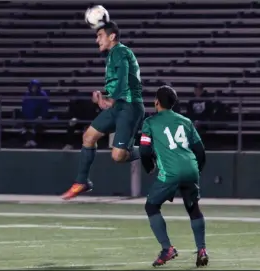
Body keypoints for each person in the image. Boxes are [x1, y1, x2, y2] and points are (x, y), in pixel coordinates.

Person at [61, 21, 144, 199]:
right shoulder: (114, 54)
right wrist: (104, 95)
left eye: (100, 36)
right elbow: (120, 82)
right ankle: (82, 181)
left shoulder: (119, 51)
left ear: (112, 36)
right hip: (119, 105)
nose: (97, 40)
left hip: (129, 107)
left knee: (118, 156)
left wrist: (110, 99)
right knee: (88, 137)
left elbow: (122, 78)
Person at [139, 85, 208, 267]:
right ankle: (202, 249)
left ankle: (167, 248)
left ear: (156, 102)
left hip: (170, 172)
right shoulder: (186, 121)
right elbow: (200, 151)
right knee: (193, 208)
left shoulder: (150, 122)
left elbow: (145, 151)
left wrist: (149, 167)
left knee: (151, 206)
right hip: (191, 169)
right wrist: (196, 171)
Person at [21, 79, 49, 148]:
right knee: (24, 125)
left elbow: (45, 108)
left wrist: (41, 116)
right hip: (28, 117)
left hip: (39, 117)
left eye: (36, 86)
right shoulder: (27, 95)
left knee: (37, 124)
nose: (34, 88)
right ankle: (30, 140)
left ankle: (31, 140)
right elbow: (24, 107)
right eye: (33, 86)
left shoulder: (43, 95)